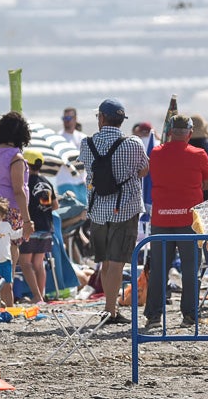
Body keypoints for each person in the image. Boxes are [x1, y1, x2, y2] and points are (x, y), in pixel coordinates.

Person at [77, 98, 149, 324]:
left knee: (105, 262)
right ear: (120, 121)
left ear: (101, 118)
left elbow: (88, 169)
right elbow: (144, 169)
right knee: (118, 261)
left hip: (97, 209)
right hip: (124, 208)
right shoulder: (133, 143)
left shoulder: (86, 144)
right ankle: (111, 310)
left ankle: (109, 308)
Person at [144, 115, 208, 328]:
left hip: (161, 218)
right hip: (188, 220)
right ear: (190, 133)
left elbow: (153, 174)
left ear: (170, 131)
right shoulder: (199, 154)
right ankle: (190, 315)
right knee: (191, 268)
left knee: (159, 268)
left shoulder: (156, 153)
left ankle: (154, 316)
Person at [0, 112, 35, 250]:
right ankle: (8, 272)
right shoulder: (15, 158)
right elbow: (18, 191)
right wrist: (27, 221)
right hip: (9, 209)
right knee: (11, 245)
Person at [20, 149, 58, 304]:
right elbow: (55, 206)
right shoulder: (47, 182)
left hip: (32, 226)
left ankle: (37, 296)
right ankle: (40, 296)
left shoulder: (25, 182)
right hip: (46, 227)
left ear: (26, 165)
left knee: (25, 262)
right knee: (38, 263)